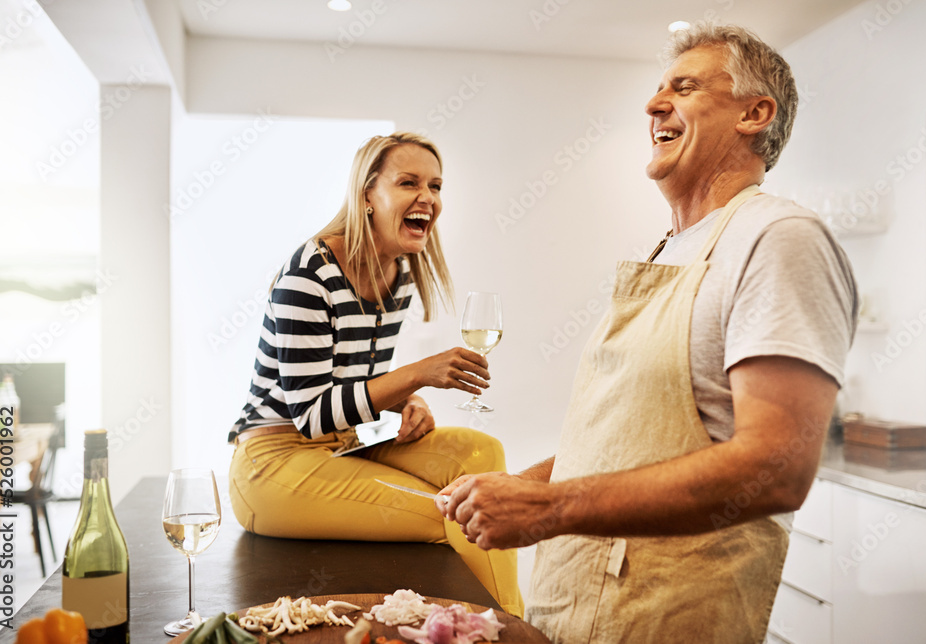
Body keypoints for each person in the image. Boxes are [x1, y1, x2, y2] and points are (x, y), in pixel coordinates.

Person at [437, 23, 858, 643]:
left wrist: (548, 509)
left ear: (755, 113)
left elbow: (777, 468)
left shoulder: (778, 238)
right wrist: (528, 484)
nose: (653, 105)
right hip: (576, 602)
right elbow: (627, 439)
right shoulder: (667, 250)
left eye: (683, 88)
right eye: (658, 89)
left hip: (670, 616)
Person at [227, 132, 524, 617]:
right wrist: (416, 376)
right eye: (408, 182)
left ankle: (498, 622)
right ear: (368, 194)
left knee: (480, 452)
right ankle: (506, 626)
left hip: (343, 443)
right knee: (456, 511)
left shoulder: (400, 275)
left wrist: (408, 402)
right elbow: (312, 415)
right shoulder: (311, 274)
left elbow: (353, 388)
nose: (427, 198)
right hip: (273, 462)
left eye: (436, 186)